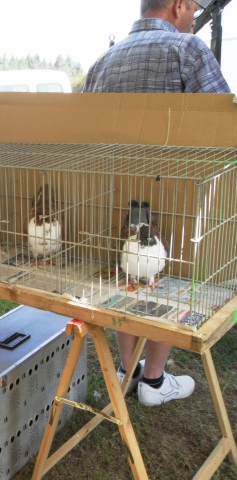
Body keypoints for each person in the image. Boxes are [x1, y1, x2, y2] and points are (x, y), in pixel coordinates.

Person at [82, 0, 231, 407]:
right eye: (194, 7)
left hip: (114, 193)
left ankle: (128, 371)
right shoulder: (189, 50)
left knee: (126, 275)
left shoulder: (102, 62)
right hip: (174, 192)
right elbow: (224, 121)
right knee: (168, 281)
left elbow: (80, 130)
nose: (193, 16)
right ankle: (152, 379)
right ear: (179, 5)